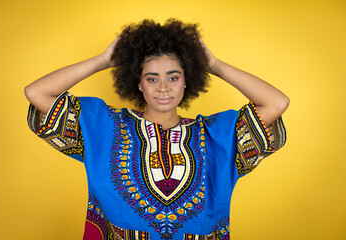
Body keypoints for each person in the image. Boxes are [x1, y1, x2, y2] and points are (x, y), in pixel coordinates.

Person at [25, 19, 289, 240]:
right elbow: (36, 92)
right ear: (138, 83)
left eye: (173, 77)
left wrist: (214, 65)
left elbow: (277, 103)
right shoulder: (105, 126)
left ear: (187, 81)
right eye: (152, 78)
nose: (163, 87)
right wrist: (103, 60)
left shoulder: (214, 135)